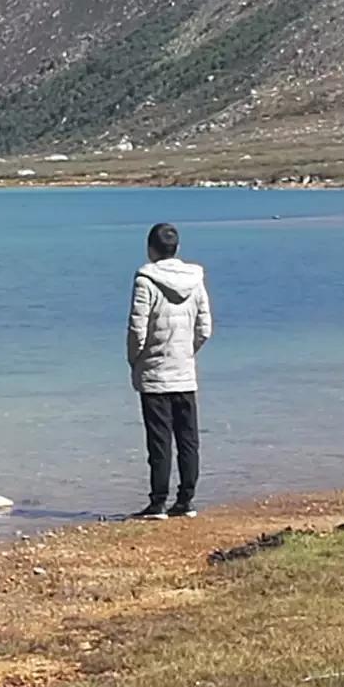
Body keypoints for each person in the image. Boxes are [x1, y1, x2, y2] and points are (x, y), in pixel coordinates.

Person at [126, 222, 213, 519]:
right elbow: (205, 328)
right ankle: (186, 500)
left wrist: (135, 360)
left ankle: (158, 502)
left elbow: (137, 329)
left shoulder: (145, 280)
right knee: (188, 439)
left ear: (151, 249)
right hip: (184, 371)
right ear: (175, 248)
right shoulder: (196, 278)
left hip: (154, 373)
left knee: (159, 441)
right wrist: (187, 352)